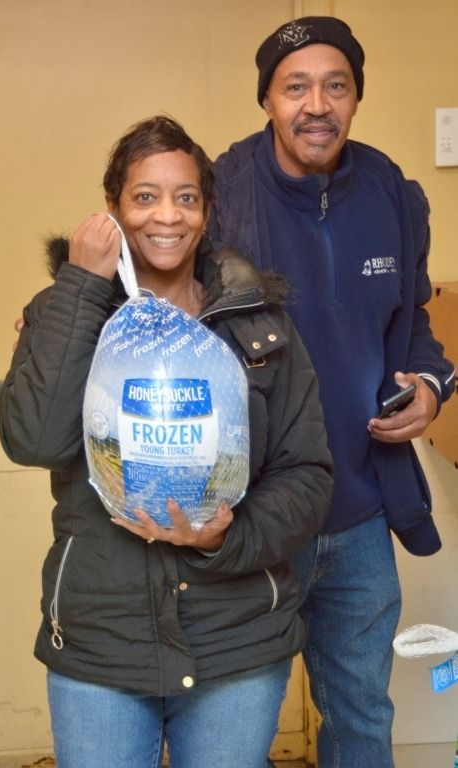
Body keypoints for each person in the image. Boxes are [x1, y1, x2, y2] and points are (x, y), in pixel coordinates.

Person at [0, 116, 333, 768]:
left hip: (236, 637)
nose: (167, 217)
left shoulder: (258, 328)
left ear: (207, 212)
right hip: (102, 641)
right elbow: (31, 440)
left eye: (186, 197)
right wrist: (80, 284)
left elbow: (308, 476)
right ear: (114, 210)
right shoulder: (67, 312)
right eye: (144, 197)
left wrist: (225, 537)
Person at [208, 16, 456, 768]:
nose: (316, 104)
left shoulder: (390, 191)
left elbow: (412, 320)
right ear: (267, 101)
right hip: (252, 517)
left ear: (355, 98)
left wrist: (430, 386)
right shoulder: (219, 192)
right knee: (232, 732)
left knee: (359, 717)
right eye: (295, 87)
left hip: (358, 512)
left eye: (336, 85)